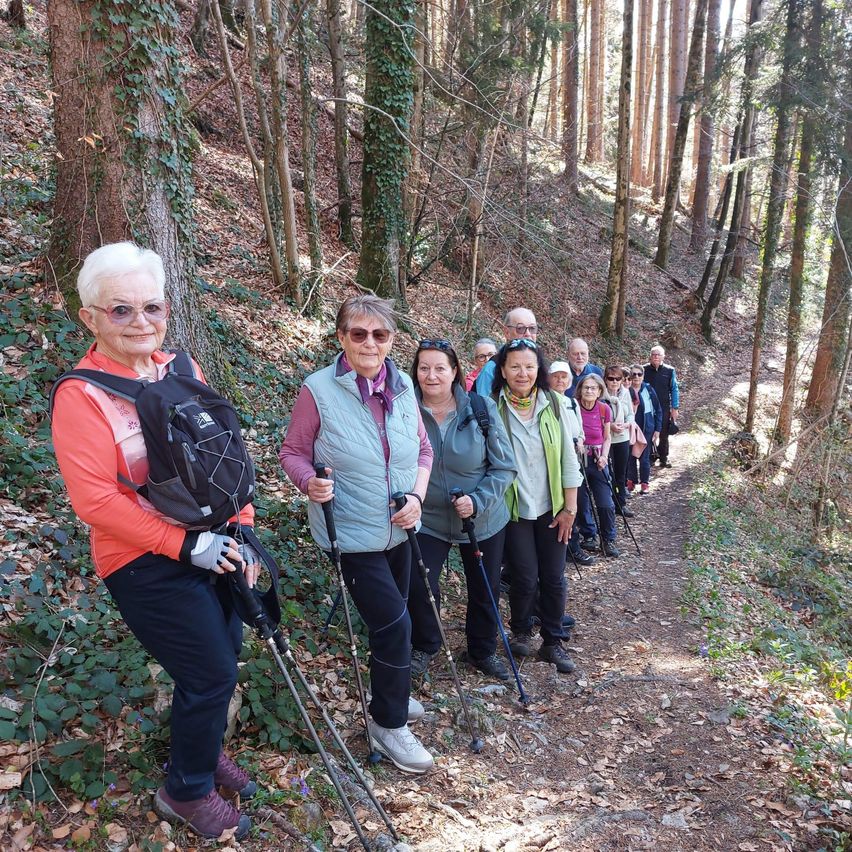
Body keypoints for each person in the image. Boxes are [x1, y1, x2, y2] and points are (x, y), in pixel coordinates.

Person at [51, 242, 260, 840]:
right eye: (121, 310)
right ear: (90, 316)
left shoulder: (181, 370)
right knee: (210, 671)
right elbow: (95, 501)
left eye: (152, 307)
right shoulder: (82, 395)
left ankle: (199, 748)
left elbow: (226, 458)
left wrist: (241, 530)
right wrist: (182, 546)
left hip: (215, 540)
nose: (140, 322)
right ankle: (186, 790)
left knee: (222, 654)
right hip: (141, 558)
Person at [279, 295, 435, 775]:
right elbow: (292, 452)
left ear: (391, 340)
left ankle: (390, 690)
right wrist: (310, 482)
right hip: (349, 533)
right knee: (395, 626)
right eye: (359, 334)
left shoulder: (404, 386)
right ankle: (387, 726)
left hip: (399, 527)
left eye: (380, 335)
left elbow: (425, 450)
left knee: (396, 617)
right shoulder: (318, 390)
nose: (370, 343)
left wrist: (417, 499)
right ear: (342, 338)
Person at [408, 339, 517, 681]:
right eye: (424, 367)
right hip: (428, 518)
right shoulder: (404, 410)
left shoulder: (480, 408)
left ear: (454, 371)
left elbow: (505, 467)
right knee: (421, 583)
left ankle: (481, 650)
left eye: (440, 367)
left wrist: (478, 500)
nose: (431, 375)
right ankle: (425, 645)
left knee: (484, 586)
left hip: (482, 517)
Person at [492, 339, 582, 673]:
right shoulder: (492, 407)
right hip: (514, 509)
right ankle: (520, 633)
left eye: (529, 366)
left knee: (554, 577)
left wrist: (569, 510)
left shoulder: (556, 405)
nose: (522, 373)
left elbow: (569, 462)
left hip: (553, 507)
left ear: (538, 370)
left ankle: (553, 641)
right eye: (514, 366)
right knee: (524, 576)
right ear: (502, 370)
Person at [549, 361, 594, 568]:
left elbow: (579, 429)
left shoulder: (572, 402)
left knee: (576, 503)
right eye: (556, 376)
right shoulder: (546, 401)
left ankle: (573, 547)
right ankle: (564, 548)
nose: (560, 380)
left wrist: (581, 440)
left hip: (574, 459)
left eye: (564, 377)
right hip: (554, 461)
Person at [575, 373, 619, 557]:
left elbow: (607, 437)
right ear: (580, 389)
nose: (590, 391)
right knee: (581, 500)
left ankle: (608, 539)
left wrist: (604, 457)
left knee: (605, 502)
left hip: (598, 458)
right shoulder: (573, 406)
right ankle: (589, 536)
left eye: (593, 388)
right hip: (578, 459)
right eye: (586, 387)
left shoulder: (603, 409)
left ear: (600, 390)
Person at [474, 307, 538, 396]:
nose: (528, 334)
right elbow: (482, 405)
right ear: (507, 332)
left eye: (532, 328)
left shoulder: (541, 364)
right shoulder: (492, 368)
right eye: (520, 328)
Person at [603, 365, 635, 518]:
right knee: (609, 473)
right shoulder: (600, 395)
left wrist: (626, 425)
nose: (614, 382)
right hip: (606, 439)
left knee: (621, 473)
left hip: (622, 438)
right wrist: (610, 426)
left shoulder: (626, 393)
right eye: (611, 378)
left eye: (617, 379)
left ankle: (620, 504)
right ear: (605, 379)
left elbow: (631, 415)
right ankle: (608, 503)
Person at [643, 345, 680, 468]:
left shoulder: (669, 371)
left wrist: (675, 408)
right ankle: (650, 457)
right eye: (653, 354)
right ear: (650, 356)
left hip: (664, 407)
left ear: (663, 356)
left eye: (658, 354)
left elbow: (674, 389)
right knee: (648, 432)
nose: (656, 357)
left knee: (664, 433)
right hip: (647, 407)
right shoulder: (644, 370)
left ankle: (664, 458)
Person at [628, 364, 662, 495]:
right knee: (630, 456)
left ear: (643, 376)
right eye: (633, 374)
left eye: (639, 374)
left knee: (644, 457)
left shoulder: (648, 389)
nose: (636, 377)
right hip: (630, 428)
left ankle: (645, 483)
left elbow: (658, 409)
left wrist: (657, 429)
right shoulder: (626, 390)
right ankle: (631, 481)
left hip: (647, 427)